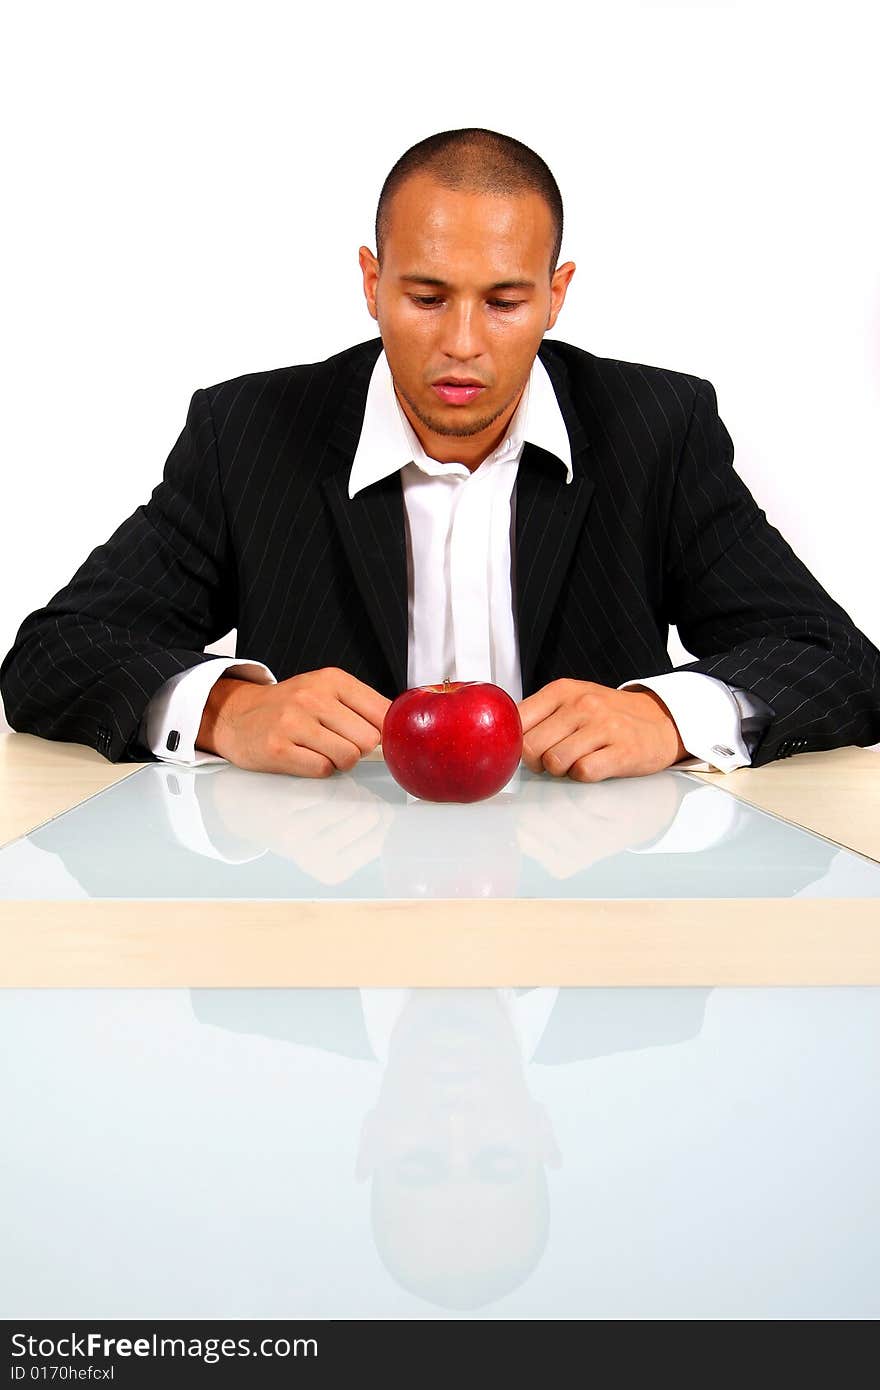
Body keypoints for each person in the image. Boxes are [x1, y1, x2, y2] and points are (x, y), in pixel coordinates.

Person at [2, 128, 878, 783]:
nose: (463, 343)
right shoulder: (249, 431)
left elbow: (835, 659)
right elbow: (54, 654)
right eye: (426, 296)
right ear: (371, 283)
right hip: (322, 926)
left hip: (595, 921)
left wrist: (669, 715)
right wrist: (229, 708)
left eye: (504, 301)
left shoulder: (657, 426)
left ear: (556, 296)